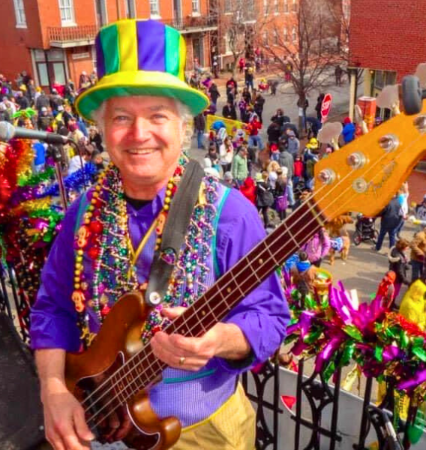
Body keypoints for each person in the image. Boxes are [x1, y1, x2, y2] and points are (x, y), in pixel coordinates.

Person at [29, 19, 290, 450]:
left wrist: (221, 340)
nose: (139, 134)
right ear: (101, 127)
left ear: (183, 127)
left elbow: (270, 318)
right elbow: (53, 309)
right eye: (121, 118)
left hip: (203, 433)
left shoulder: (231, 215)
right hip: (101, 425)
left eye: (158, 116)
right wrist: (54, 389)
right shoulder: (81, 214)